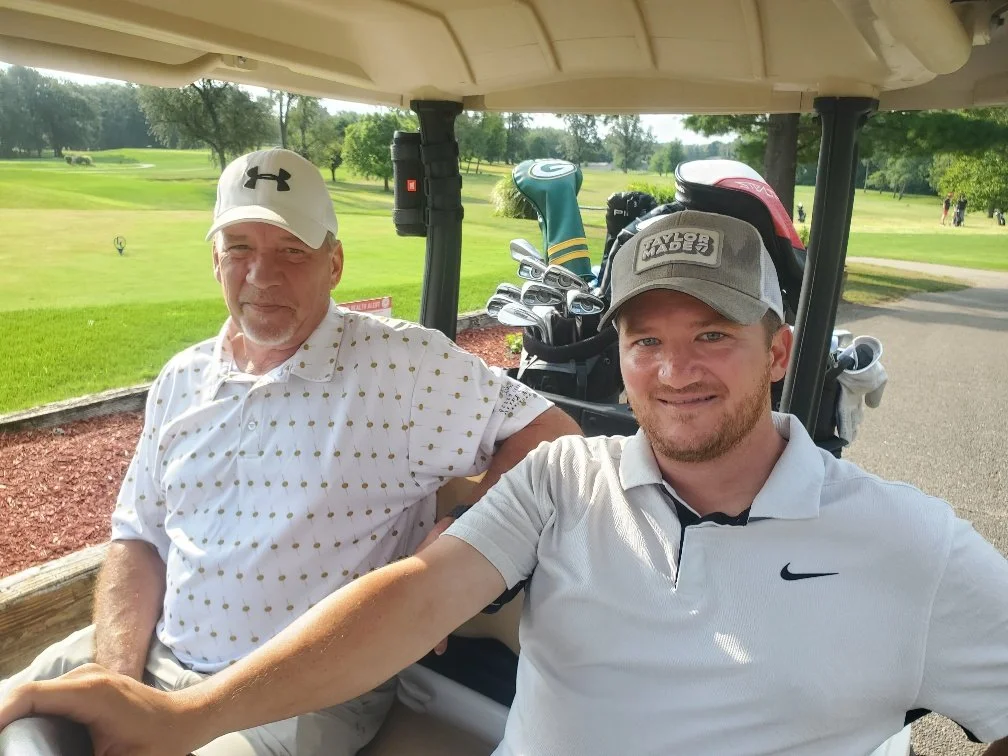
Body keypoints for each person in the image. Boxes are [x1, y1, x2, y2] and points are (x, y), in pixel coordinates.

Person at [4, 209, 1007, 756]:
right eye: (645, 339)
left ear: (779, 349)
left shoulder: (909, 544)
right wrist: (185, 715)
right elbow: (409, 601)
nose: (673, 371)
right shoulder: (565, 480)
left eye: (713, 336)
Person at [0, 147, 579, 755]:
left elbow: (554, 435)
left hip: (302, 695)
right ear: (215, 261)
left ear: (334, 263)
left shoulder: (402, 367)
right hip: (155, 651)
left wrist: (464, 536)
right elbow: (139, 536)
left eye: (290, 252)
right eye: (240, 248)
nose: (262, 275)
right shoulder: (181, 378)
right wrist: (118, 684)